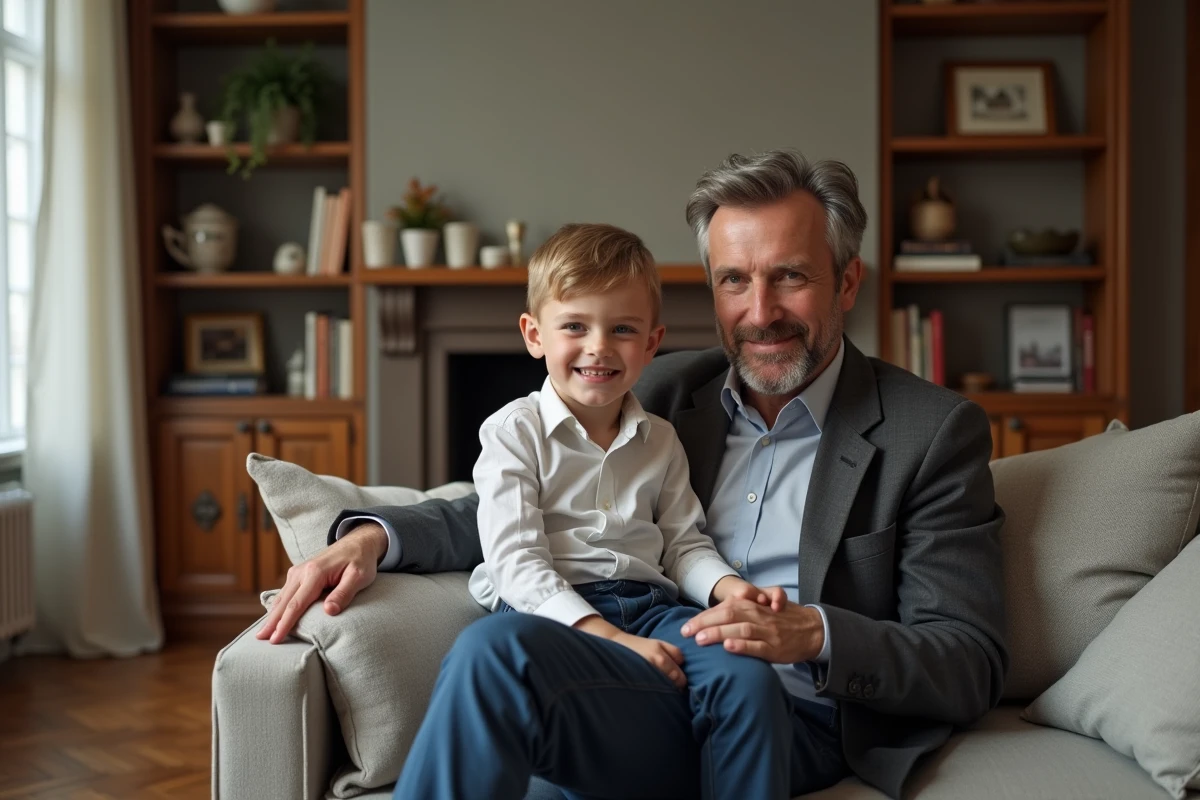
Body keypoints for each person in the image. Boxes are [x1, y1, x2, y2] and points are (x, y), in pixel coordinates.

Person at [257, 149, 1008, 800]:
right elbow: (534, 504)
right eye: (734, 281)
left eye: (790, 277)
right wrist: (372, 539)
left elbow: (969, 661)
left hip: (795, 716)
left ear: (847, 282)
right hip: (649, 681)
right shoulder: (660, 388)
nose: (760, 311)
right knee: (499, 653)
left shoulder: (930, 432)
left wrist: (810, 633)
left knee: (688, 676)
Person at [396, 221, 797, 797]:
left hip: (656, 609)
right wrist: (610, 637)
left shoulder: (660, 438)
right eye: (575, 326)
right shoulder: (514, 432)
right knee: (492, 649)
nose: (599, 347)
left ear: (653, 342)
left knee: (747, 676)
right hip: (552, 617)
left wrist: (732, 591)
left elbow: (683, 546)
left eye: (623, 328)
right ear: (534, 335)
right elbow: (516, 563)